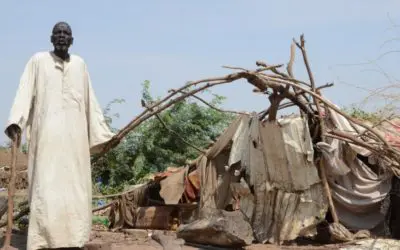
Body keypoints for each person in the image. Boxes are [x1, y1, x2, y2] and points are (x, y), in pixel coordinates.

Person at [5, 22, 115, 250]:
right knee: (45, 187)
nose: (62, 37)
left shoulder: (80, 65)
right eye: (58, 33)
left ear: (72, 40)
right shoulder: (38, 61)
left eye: (66, 34)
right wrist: (17, 121)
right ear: (51, 38)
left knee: (75, 187)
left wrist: (102, 135)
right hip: (46, 136)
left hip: (75, 139)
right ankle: (43, 240)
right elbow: (24, 92)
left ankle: (75, 239)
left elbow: (90, 101)